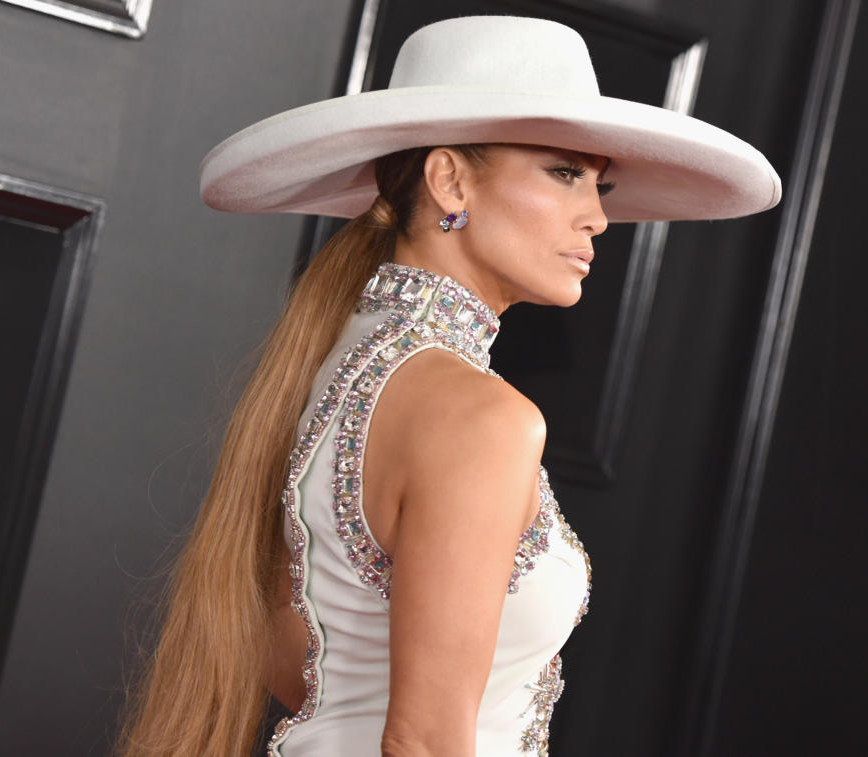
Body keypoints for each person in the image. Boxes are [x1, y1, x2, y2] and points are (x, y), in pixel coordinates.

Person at [117, 15, 780, 757]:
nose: (597, 217)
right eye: (564, 172)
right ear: (449, 179)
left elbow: (308, 664)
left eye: (601, 184)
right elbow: (424, 740)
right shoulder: (480, 417)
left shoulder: (339, 364)